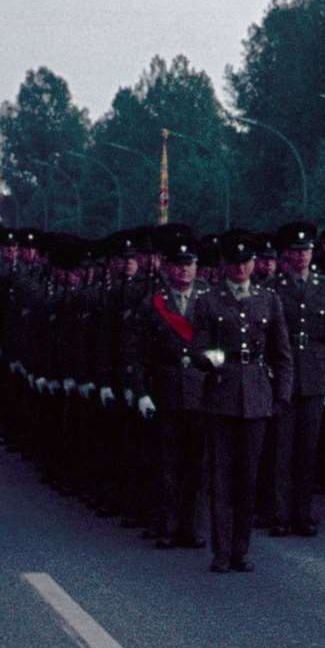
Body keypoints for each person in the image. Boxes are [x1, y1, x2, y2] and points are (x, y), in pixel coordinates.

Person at [192, 232, 291, 573]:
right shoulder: (209, 301)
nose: (241, 267)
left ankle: (241, 549)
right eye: (234, 262)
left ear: (253, 263)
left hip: (258, 395)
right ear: (224, 265)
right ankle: (221, 551)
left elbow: (282, 354)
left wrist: (281, 395)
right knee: (222, 477)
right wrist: (221, 360)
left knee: (248, 478)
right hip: (222, 394)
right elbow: (198, 351)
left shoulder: (268, 299)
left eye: (246, 261)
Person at [124, 228, 210, 550]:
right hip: (166, 391)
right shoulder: (153, 303)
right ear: (167, 268)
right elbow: (136, 351)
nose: (184, 270)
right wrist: (142, 391)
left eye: (189, 264)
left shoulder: (210, 300)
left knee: (198, 465)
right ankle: (168, 527)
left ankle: (195, 528)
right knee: (167, 464)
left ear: (197, 266)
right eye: (177, 264)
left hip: (201, 392)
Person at [266, 222, 325, 537]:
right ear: (286, 255)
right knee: (281, 450)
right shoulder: (273, 287)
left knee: (308, 451)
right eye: (296, 252)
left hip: (314, 375)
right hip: (283, 376)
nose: (302, 257)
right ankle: (280, 515)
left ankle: (303, 513)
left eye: (306, 251)